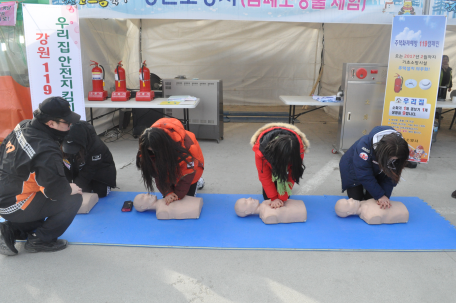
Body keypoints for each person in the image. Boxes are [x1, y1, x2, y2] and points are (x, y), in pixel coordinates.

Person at [0, 97, 83, 256]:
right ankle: (41, 240)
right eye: (66, 123)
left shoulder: (23, 125)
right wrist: (69, 188)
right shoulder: (46, 150)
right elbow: (56, 191)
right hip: (15, 203)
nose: (70, 126)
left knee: (41, 198)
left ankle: (10, 229)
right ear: (51, 123)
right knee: (73, 199)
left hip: (6, 195)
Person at [136, 118, 204, 205]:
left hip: (192, 169)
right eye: (150, 150)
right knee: (169, 198)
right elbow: (157, 173)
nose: (153, 153)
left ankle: (197, 182)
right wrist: (167, 192)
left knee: (181, 200)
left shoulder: (187, 148)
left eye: (155, 150)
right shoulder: (147, 142)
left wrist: (177, 195)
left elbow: (188, 173)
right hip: (171, 164)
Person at [339, 126, 409, 210]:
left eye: (394, 159)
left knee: (373, 201)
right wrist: (380, 195)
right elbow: (363, 174)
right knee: (356, 199)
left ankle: (372, 187)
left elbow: (392, 175)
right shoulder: (364, 146)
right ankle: (361, 187)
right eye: (390, 159)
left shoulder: (400, 148)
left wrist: (384, 196)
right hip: (353, 168)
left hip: (376, 169)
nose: (392, 160)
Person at [250, 123, 309, 209]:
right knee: (268, 197)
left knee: (284, 198)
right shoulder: (261, 152)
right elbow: (264, 176)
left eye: (290, 159)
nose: (288, 161)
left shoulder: (299, 150)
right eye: (286, 160)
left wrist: (282, 197)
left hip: (279, 160)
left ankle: (280, 184)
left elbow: (293, 174)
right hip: (272, 161)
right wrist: (274, 198)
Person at [62, 121, 116, 198]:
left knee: (101, 193)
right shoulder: (60, 140)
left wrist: (76, 187)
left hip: (100, 170)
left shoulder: (97, 147)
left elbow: (89, 170)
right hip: (81, 167)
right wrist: (66, 187)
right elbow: (65, 166)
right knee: (80, 191)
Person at [334, 198, 409, 225]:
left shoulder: (364, 203)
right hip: (403, 213)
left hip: (399, 206)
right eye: (348, 203)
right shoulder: (369, 216)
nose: (350, 199)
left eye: (347, 199)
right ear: (349, 213)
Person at [234, 197, 307, 224]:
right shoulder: (267, 216)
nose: (249, 198)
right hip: (302, 212)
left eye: (246, 198)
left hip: (299, 205)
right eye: (246, 202)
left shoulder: (265, 202)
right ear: (247, 212)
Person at [133, 193, 203, 220]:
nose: (147, 193)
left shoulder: (165, 198)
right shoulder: (161, 212)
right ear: (143, 207)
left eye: (144, 194)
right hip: (195, 209)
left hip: (196, 202)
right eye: (143, 197)